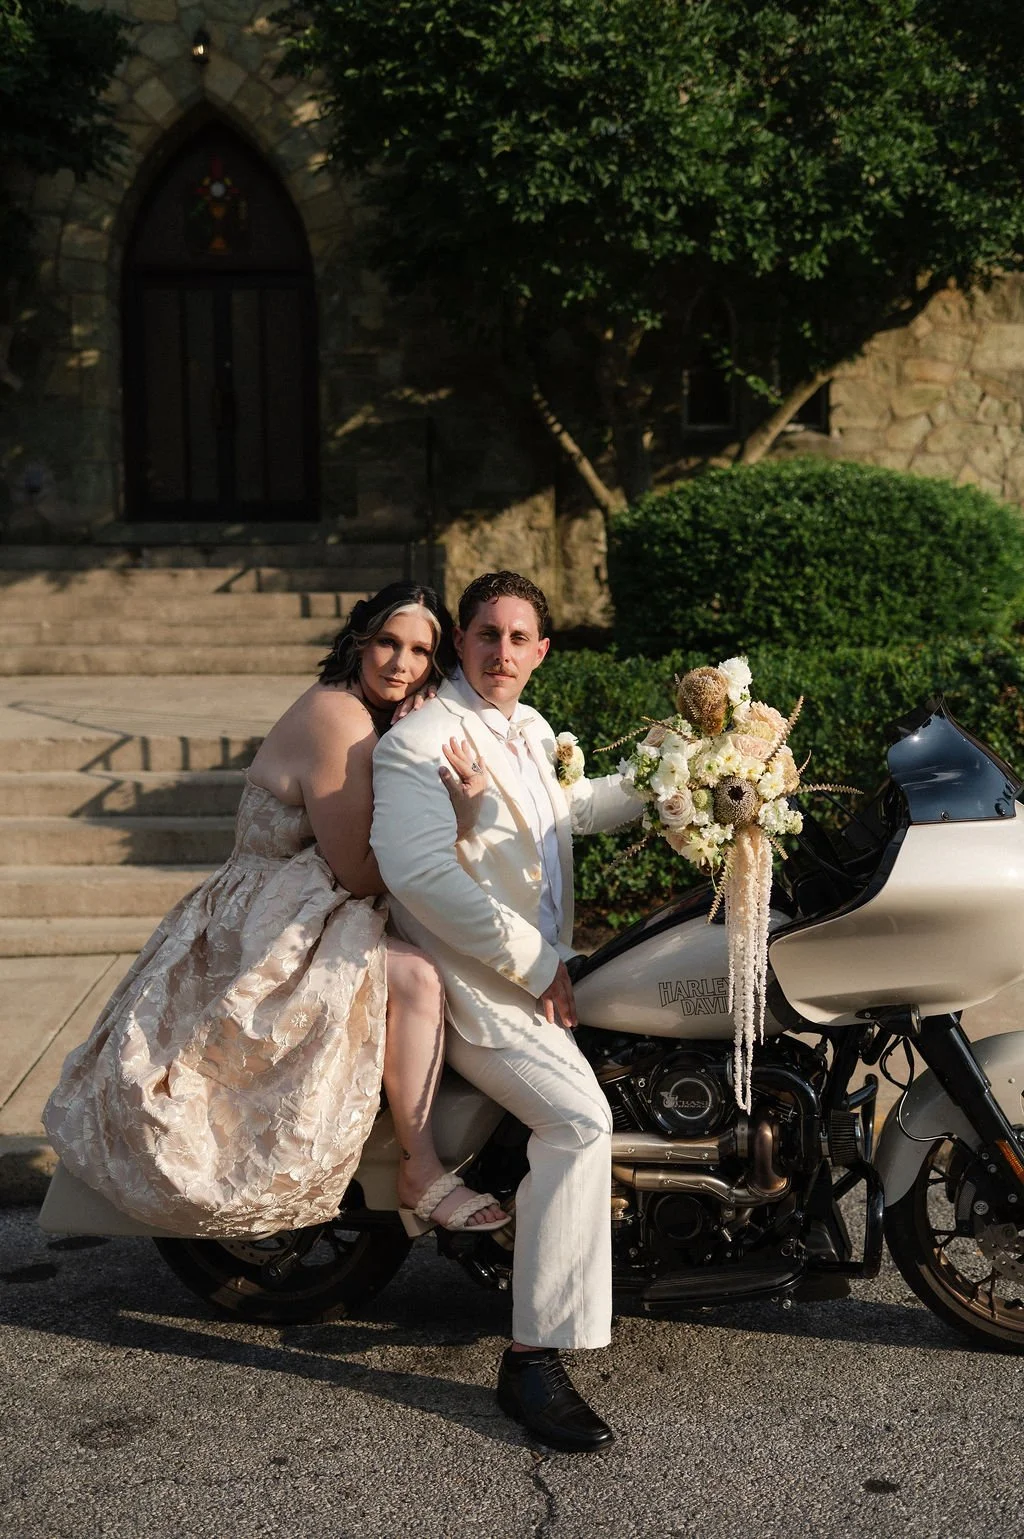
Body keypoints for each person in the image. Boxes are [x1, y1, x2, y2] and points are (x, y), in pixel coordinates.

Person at [43, 582, 508, 1240]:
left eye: (419, 652)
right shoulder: (340, 717)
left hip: (310, 903)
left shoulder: (382, 716)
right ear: (358, 641)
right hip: (267, 917)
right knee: (416, 978)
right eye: (388, 642)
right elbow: (360, 869)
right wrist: (458, 831)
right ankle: (419, 1168)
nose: (400, 663)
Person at [370, 570, 643, 1453]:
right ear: (461, 639)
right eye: (487, 634)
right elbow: (420, 874)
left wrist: (690, 781)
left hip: (533, 969)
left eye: (519, 638)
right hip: (478, 983)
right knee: (577, 1121)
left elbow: (573, 805)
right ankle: (530, 1358)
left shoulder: (525, 728)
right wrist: (535, 965)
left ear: (541, 651)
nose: (502, 651)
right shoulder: (420, 740)